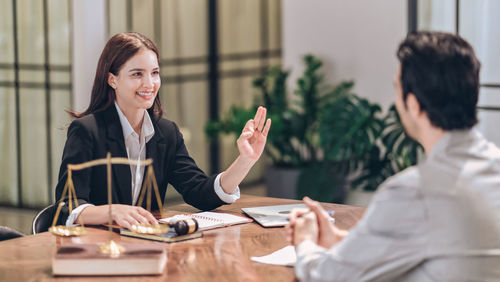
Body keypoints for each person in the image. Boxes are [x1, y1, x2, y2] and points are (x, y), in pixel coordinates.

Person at [286, 31, 500, 281]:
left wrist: (305, 242)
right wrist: (339, 240)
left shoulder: (415, 191)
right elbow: (447, 246)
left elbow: (327, 276)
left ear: (414, 104)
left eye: (397, 90)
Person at [55, 32, 271, 229]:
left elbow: (200, 193)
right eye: (137, 74)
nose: (149, 83)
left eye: (155, 73)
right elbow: (67, 206)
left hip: (145, 245)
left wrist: (246, 159)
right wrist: (111, 211)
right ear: (113, 80)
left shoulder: (165, 133)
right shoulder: (87, 131)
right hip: (98, 248)